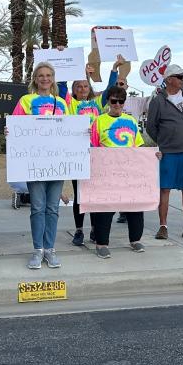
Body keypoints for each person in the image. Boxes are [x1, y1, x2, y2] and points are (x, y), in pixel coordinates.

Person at [59, 56, 122, 246]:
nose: (82, 89)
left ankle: (95, 228)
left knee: (94, 193)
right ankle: (79, 230)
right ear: (73, 89)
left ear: (90, 88)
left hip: (96, 155)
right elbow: (61, 87)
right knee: (80, 195)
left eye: (85, 86)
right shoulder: (69, 103)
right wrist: (64, 61)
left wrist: (114, 70)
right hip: (76, 153)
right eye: (78, 86)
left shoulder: (97, 103)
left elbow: (111, 89)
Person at [88, 85, 156, 257]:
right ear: (108, 101)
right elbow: (93, 147)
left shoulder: (132, 121)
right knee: (105, 208)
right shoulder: (99, 121)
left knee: (134, 207)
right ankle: (101, 243)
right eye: (114, 101)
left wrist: (152, 155)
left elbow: (138, 145)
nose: (117, 104)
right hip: (107, 173)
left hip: (129, 173)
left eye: (121, 101)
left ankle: (135, 240)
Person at [12, 62, 68, 270]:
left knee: (52, 209)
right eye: (41, 75)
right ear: (35, 79)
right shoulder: (26, 101)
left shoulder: (62, 102)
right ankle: (37, 250)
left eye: (49, 75)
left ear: (53, 79)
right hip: (34, 162)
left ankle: (50, 249)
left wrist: (82, 134)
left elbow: (70, 129)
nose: (45, 79)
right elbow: (16, 127)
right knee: (37, 208)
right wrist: (11, 132)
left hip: (58, 162)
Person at [146, 64, 183, 241]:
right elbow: (151, 126)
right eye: (180, 76)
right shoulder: (158, 101)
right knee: (165, 189)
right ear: (169, 79)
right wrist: (164, 141)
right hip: (169, 152)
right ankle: (163, 226)